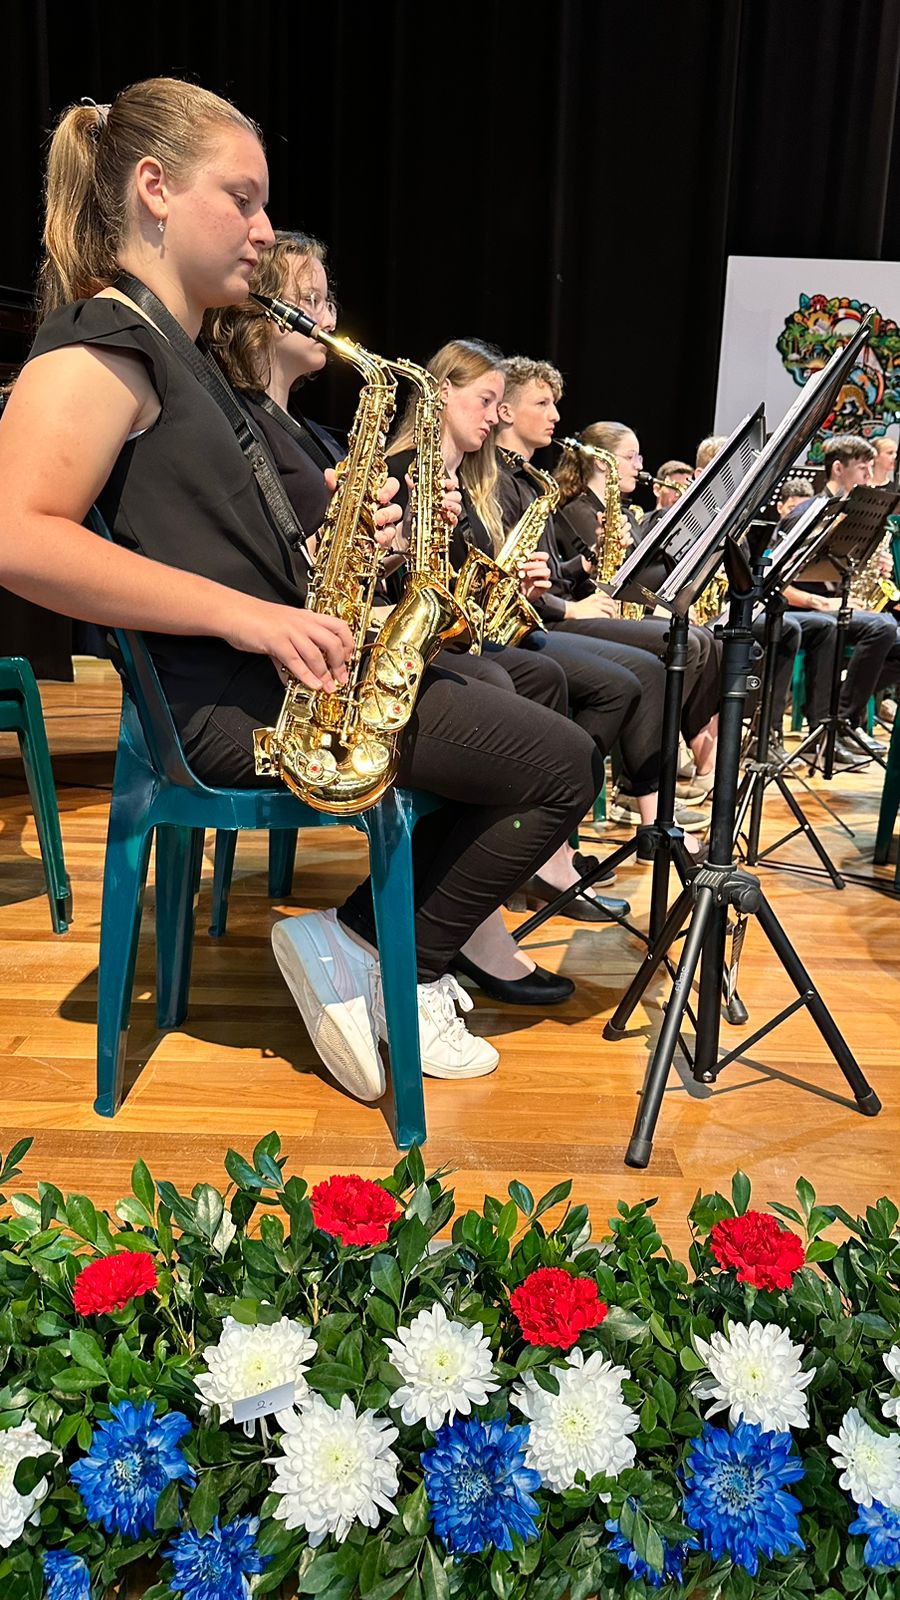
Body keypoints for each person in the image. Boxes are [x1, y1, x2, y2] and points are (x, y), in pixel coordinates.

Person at [0, 78, 602, 1103]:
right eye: (241, 198)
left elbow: (201, 537)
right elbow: (19, 537)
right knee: (563, 764)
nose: (263, 228)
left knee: (533, 696)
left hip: (264, 677)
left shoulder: (173, 349)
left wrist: (325, 545)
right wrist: (253, 613)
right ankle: (372, 952)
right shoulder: (104, 337)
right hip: (236, 709)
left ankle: (384, 947)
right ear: (154, 189)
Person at [207, 237, 609, 998]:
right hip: (300, 679)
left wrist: (379, 547)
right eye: (314, 299)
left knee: (522, 678)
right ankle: (397, 953)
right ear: (261, 310)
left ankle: (448, 923)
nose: (325, 315)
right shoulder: (243, 424)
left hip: (330, 651)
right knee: (554, 742)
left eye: (326, 300)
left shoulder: (306, 431)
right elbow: (265, 569)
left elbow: (318, 558)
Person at [386, 337, 648, 907]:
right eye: (484, 401)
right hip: (421, 644)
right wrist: (408, 544)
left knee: (573, 679)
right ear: (438, 394)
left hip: (475, 632)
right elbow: (392, 583)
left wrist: (521, 583)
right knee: (535, 680)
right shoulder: (403, 472)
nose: (492, 416)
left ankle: (527, 852)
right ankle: (490, 866)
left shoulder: (472, 480)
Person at [495, 369, 716, 824]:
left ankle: (647, 795)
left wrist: (584, 567)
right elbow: (532, 586)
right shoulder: (513, 484)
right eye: (542, 404)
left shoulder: (532, 482)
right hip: (536, 619)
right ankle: (611, 796)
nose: (555, 415)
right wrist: (572, 602)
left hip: (549, 612)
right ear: (505, 410)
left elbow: (552, 573)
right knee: (664, 655)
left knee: (683, 643)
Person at [780, 434, 899, 760]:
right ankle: (837, 724)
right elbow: (780, 579)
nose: (867, 476)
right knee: (883, 627)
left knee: (893, 633)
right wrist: (823, 602)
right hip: (808, 609)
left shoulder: (854, 515)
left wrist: (874, 567)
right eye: (863, 468)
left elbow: (845, 570)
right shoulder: (806, 513)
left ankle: (843, 714)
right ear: (837, 468)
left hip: (840, 607)